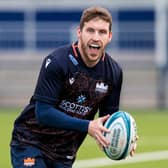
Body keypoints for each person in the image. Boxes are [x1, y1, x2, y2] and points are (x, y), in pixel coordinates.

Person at [10, 6, 136, 168]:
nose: (96, 37)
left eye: (102, 32)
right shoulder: (57, 62)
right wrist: (87, 126)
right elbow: (43, 113)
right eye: (90, 30)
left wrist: (125, 139)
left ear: (110, 36)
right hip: (30, 141)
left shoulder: (113, 73)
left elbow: (107, 120)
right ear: (79, 32)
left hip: (65, 152)